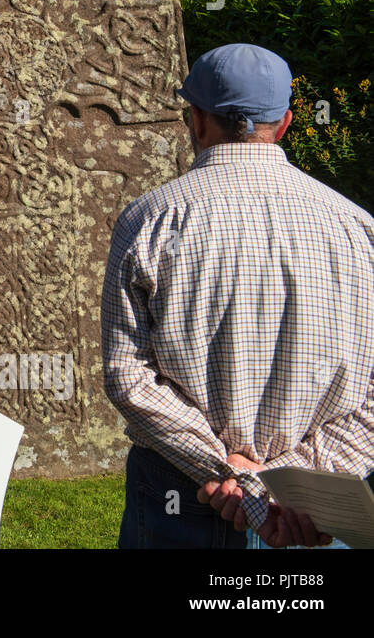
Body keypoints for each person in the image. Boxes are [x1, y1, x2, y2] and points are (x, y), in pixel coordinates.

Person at [103, 42, 374, 549]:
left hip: (184, 491)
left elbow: (128, 375)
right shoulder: (358, 228)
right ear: (287, 122)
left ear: (197, 120)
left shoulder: (149, 221)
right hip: (314, 507)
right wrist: (294, 478)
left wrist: (235, 476)